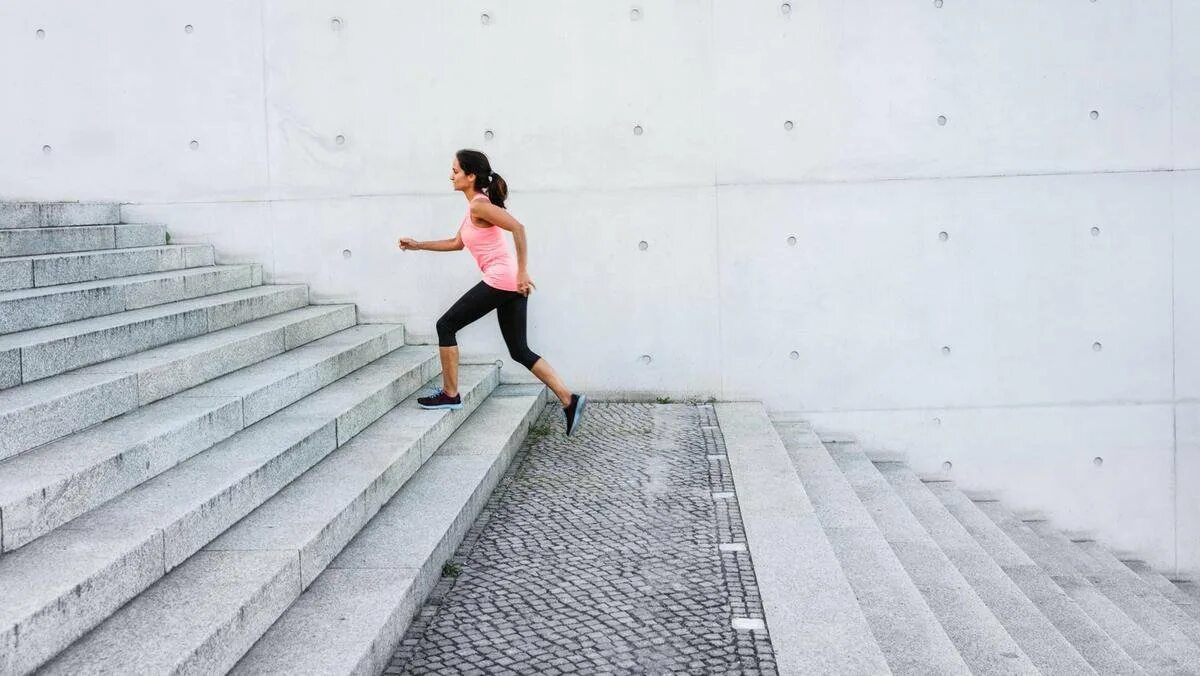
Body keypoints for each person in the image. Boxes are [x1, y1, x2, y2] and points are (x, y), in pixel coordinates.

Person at [398, 149, 587, 437]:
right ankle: (568, 400)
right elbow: (455, 243)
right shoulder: (473, 207)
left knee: (445, 325)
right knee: (519, 351)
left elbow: (518, 228)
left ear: (471, 176)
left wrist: (522, 271)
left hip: (503, 281)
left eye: (456, 171)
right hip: (509, 284)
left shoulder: (479, 206)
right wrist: (418, 244)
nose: (451, 175)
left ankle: (450, 394)